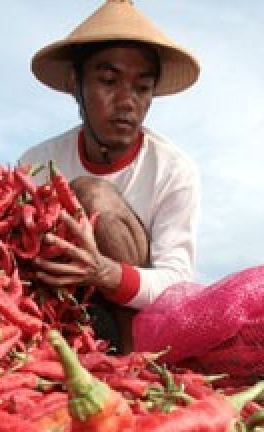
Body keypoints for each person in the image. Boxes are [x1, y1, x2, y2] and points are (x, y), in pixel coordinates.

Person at [19, 0, 201, 352]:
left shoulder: (173, 170)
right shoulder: (36, 163)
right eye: (108, 81)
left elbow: (177, 283)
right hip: (61, 312)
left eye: (142, 88)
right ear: (76, 83)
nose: (127, 101)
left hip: (138, 319)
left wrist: (103, 271)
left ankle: (132, 362)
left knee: (91, 197)